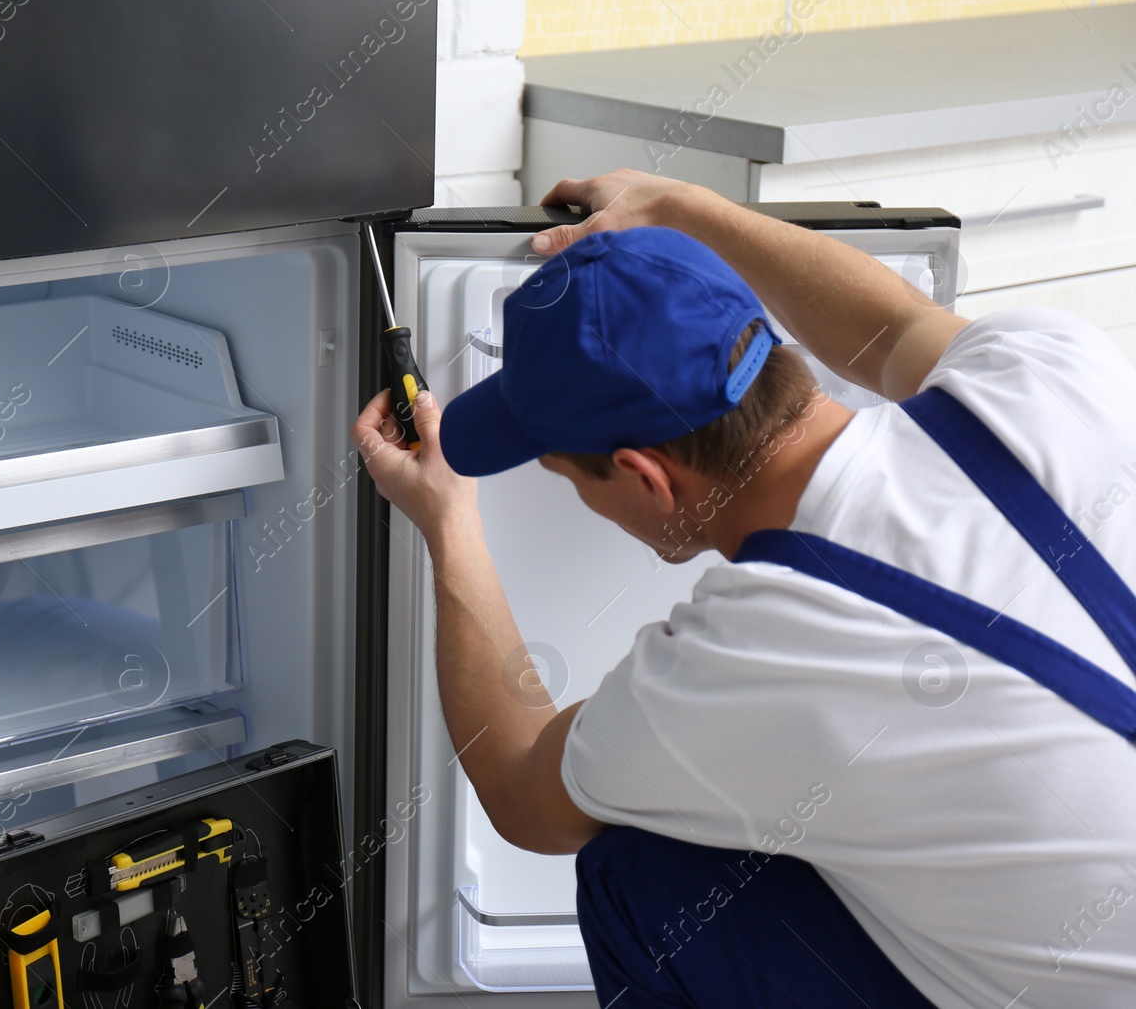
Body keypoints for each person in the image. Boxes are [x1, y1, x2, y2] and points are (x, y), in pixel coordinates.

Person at [351, 170, 1136, 1008]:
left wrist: (447, 520)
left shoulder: (753, 653)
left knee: (643, 877)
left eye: (562, 474)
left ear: (645, 477)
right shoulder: (1052, 372)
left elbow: (520, 788)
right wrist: (687, 211)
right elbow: (895, 322)